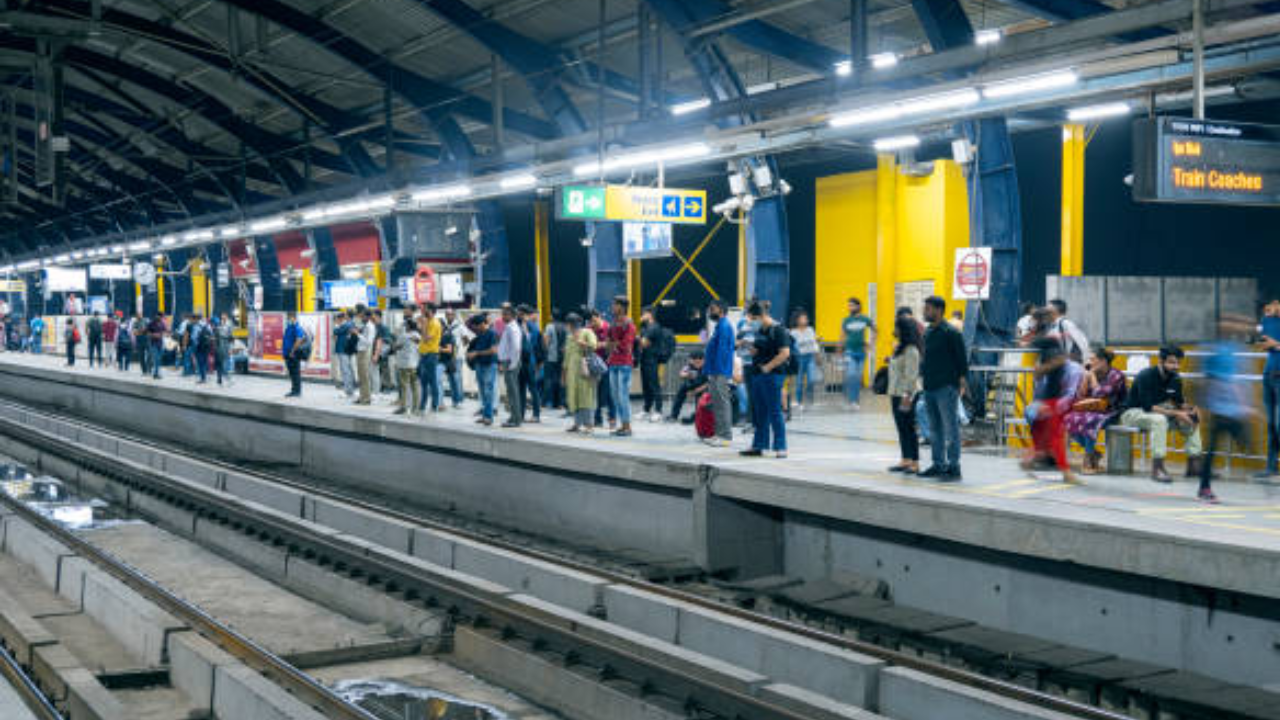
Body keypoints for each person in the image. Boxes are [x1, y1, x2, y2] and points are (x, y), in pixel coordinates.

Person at [1119, 346, 1204, 483]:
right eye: (1171, 362)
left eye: (1177, 363)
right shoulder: (1146, 376)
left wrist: (1191, 409)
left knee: (1191, 418)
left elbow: (1178, 403)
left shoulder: (1175, 378)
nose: (1175, 366)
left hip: (1158, 411)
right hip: (1132, 412)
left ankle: (1194, 464)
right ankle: (1157, 468)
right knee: (1159, 420)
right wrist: (1176, 413)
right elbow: (1148, 407)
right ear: (1161, 361)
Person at [1199, 316, 1255, 503]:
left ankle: (1257, 478)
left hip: (1233, 408)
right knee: (1212, 449)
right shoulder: (1212, 350)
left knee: (1246, 442)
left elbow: (1238, 380)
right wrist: (1205, 406)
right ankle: (1204, 488)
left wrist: (1244, 405)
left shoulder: (1234, 349)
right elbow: (1209, 380)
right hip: (1218, 407)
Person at [1023, 316, 1078, 484]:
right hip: (1047, 398)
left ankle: (1058, 468)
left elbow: (1057, 361)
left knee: (1051, 434)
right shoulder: (1049, 342)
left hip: (1054, 398)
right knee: (1043, 430)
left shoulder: (1049, 341)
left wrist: (1041, 369)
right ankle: (1041, 459)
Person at [920, 296, 968, 481]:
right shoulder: (928, 332)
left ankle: (954, 467)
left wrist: (961, 383)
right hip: (930, 386)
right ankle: (938, 464)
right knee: (935, 429)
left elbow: (961, 360)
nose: (925, 312)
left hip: (946, 387)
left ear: (939, 310)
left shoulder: (951, 332)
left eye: (928, 308)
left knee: (950, 429)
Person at [1063, 348, 1128, 475]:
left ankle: (1088, 458)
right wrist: (1085, 378)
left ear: (1103, 361)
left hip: (1112, 410)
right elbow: (1080, 396)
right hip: (1093, 409)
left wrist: (1091, 377)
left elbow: (1101, 394)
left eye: (1093, 360)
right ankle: (1093, 453)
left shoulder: (1116, 375)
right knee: (1068, 418)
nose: (1090, 362)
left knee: (1089, 420)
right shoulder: (1090, 373)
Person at [740, 301, 790, 458]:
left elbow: (785, 353)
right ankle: (759, 444)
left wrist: (768, 367)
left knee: (774, 411)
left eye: (751, 319)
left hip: (772, 375)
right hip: (757, 373)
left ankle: (781, 446)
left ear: (760, 316)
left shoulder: (778, 330)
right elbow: (761, 349)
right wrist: (750, 347)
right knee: (759, 411)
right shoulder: (761, 329)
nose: (750, 322)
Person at [887, 316, 922, 474]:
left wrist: (907, 397)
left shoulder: (912, 350)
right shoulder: (899, 347)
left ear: (904, 330)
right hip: (895, 393)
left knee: (909, 428)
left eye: (897, 327)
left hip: (906, 395)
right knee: (901, 428)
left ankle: (914, 463)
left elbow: (911, 375)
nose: (894, 330)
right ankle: (905, 460)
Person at [603, 298, 636, 437]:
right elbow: (608, 343)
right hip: (613, 363)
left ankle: (627, 427)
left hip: (624, 364)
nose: (612, 307)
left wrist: (613, 344)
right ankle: (623, 425)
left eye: (615, 304)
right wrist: (613, 344)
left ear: (622, 307)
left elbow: (625, 345)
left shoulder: (629, 324)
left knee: (623, 396)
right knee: (616, 397)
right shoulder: (613, 324)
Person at [704, 299, 735, 447]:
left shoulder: (724, 326)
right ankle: (718, 433)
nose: (710, 311)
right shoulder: (719, 326)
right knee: (716, 403)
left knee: (722, 403)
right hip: (715, 370)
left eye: (713, 309)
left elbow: (723, 351)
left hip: (720, 370)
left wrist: (717, 371)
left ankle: (726, 436)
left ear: (721, 310)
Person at [562, 312, 598, 434]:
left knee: (586, 397)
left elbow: (594, 346)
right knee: (574, 396)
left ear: (572, 324)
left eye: (568, 324)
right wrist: (564, 373)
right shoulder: (568, 337)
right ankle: (577, 423)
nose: (567, 327)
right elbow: (566, 357)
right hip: (572, 371)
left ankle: (589, 424)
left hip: (584, 370)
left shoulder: (587, 332)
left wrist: (583, 343)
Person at [840, 297, 876, 409]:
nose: (850, 307)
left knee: (858, 377)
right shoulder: (846, 320)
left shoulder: (865, 319)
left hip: (861, 352)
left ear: (858, 306)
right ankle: (851, 400)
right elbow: (842, 335)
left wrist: (870, 344)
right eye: (849, 305)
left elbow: (875, 330)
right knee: (851, 375)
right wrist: (840, 347)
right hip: (849, 351)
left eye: (852, 305)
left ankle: (856, 400)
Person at [1258, 298, 1280, 480]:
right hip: (1269, 374)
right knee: (1271, 424)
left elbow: (1273, 345)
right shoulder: (1267, 320)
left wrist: (1277, 345)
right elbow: (1265, 344)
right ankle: (1271, 466)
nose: (1272, 307)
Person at [467, 314, 499, 425]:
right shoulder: (479, 334)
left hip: (490, 365)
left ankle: (489, 417)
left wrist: (477, 353)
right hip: (479, 365)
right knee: (482, 392)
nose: (475, 329)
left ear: (482, 324)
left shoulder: (492, 334)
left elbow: (494, 350)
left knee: (488, 391)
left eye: (476, 326)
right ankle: (485, 414)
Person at [638, 307, 668, 422]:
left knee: (654, 385)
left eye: (643, 313)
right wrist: (640, 340)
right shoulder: (645, 327)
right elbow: (642, 342)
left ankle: (658, 411)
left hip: (653, 360)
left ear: (650, 314)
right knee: (646, 385)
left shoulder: (654, 327)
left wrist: (639, 340)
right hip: (645, 359)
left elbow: (643, 343)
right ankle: (646, 409)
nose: (642, 315)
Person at [497, 305, 524, 428]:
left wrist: (512, 364)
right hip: (508, 361)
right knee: (510, 391)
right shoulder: (509, 327)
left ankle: (516, 419)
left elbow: (516, 348)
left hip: (511, 362)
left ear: (512, 316)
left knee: (513, 392)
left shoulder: (513, 328)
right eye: (502, 314)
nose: (503, 317)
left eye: (505, 314)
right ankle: (513, 416)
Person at [588, 311, 615, 429]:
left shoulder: (608, 328)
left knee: (609, 393)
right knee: (596, 392)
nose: (593, 324)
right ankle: (597, 419)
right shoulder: (589, 329)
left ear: (599, 317)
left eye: (594, 320)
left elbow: (612, 345)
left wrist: (600, 345)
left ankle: (612, 419)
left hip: (607, 363)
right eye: (591, 321)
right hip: (594, 364)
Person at [666, 351, 708, 423]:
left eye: (700, 359)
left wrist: (696, 391)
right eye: (694, 359)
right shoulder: (689, 366)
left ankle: (698, 417)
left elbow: (709, 383)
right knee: (680, 393)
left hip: (703, 387)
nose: (697, 361)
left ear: (704, 360)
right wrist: (688, 374)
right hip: (691, 385)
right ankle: (674, 415)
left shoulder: (708, 368)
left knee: (701, 399)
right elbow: (681, 373)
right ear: (690, 360)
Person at [790, 311, 820, 411]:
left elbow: (814, 343)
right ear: (797, 320)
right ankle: (799, 402)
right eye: (803, 318)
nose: (805, 320)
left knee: (811, 379)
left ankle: (810, 399)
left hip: (810, 356)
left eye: (806, 318)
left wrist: (817, 355)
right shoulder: (793, 332)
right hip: (800, 358)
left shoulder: (810, 330)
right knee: (799, 382)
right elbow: (792, 347)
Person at [518, 305, 543, 423]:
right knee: (523, 388)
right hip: (526, 361)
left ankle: (535, 414)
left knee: (532, 388)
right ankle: (522, 414)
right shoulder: (531, 326)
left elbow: (533, 344)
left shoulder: (531, 327)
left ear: (523, 314)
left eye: (519, 313)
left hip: (528, 361)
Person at [1048, 299, 1091, 363]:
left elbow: (1082, 342)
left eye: (1048, 308)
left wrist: (1087, 361)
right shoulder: (1052, 326)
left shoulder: (1066, 324)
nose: (1045, 311)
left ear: (1055, 310)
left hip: (1069, 363)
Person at [394, 318, 422, 416]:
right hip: (415, 364)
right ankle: (416, 408)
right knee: (415, 386)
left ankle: (404, 407)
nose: (404, 327)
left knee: (404, 386)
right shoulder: (418, 336)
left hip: (404, 365)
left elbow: (396, 347)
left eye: (406, 325)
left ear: (408, 326)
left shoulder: (404, 336)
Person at [418, 304, 442, 413]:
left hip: (431, 355)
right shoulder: (428, 322)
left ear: (431, 311)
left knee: (432, 381)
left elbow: (427, 338)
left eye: (425, 309)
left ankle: (434, 405)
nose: (422, 311)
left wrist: (422, 325)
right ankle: (422, 405)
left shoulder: (435, 323)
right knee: (423, 381)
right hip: (424, 354)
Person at [543, 309, 566, 411]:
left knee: (549, 379)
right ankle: (561, 403)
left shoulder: (549, 326)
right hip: (563, 357)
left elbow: (546, 341)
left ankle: (548, 402)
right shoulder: (566, 327)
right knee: (561, 379)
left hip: (551, 357)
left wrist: (545, 351)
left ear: (552, 317)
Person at [282, 312, 308, 398]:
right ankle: (294, 390)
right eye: (288, 318)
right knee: (292, 373)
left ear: (293, 318)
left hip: (293, 354)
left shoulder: (297, 327)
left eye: (290, 317)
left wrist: (293, 351)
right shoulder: (289, 327)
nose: (289, 319)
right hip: (287, 353)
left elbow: (299, 339)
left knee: (295, 373)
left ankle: (297, 391)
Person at [438, 313, 460, 410]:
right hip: (439, 361)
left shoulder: (448, 336)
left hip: (449, 361)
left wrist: (438, 349)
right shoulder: (434, 336)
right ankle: (440, 403)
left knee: (454, 382)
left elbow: (449, 350)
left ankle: (456, 402)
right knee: (437, 380)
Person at [333, 312, 357, 398]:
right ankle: (349, 389)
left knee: (346, 371)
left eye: (337, 319)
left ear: (340, 319)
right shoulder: (347, 325)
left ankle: (348, 390)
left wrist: (336, 326)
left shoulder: (346, 325)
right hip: (344, 350)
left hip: (343, 350)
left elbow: (336, 331)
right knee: (347, 370)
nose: (336, 321)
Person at [355, 309, 377, 405]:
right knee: (360, 375)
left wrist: (358, 334)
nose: (361, 317)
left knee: (364, 375)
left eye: (363, 316)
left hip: (365, 352)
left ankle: (367, 398)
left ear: (368, 317)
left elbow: (368, 342)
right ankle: (362, 396)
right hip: (360, 351)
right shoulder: (365, 326)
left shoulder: (370, 327)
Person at [190, 313, 212, 384]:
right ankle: (204, 376)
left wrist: (195, 346)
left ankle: (203, 378)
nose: (192, 321)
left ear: (196, 319)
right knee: (205, 362)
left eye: (192, 319)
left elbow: (193, 337)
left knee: (200, 362)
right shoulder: (207, 325)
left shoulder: (196, 326)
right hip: (207, 346)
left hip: (199, 346)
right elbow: (211, 334)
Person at [214, 313, 234, 386]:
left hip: (225, 342)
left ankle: (226, 376)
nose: (223, 318)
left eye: (224, 317)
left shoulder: (229, 324)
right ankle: (219, 378)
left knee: (226, 360)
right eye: (222, 317)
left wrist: (230, 347)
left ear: (227, 317)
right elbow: (217, 332)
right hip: (219, 343)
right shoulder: (220, 324)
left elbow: (230, 335)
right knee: (219, 361)